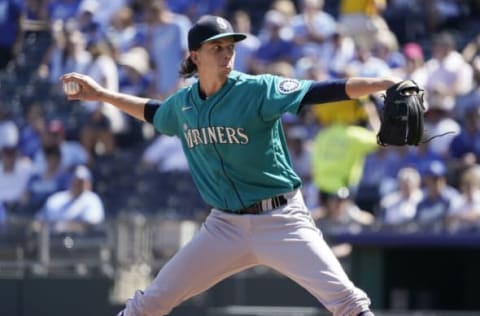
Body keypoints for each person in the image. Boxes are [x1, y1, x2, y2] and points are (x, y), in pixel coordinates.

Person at [61, 15, 403, 316]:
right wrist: (103, 95)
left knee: (348, 303)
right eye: (216, 48)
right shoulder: (182, 105)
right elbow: (153, 111)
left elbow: (319, 91)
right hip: (223, 227)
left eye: (230, 48)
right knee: (149, 304)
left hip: (282, 220)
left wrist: (383, 84)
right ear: (195, 56)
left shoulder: (257, 89)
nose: (226, 55)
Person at [35, 164, 105, 233]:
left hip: (79, 242)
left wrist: (64, 226)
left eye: (81, 182)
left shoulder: (92, 199)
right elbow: (38, 221)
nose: (77, 184)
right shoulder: (57, 198)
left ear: (89, 183)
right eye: (75, 180)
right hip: (51, 241)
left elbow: (91, 225)